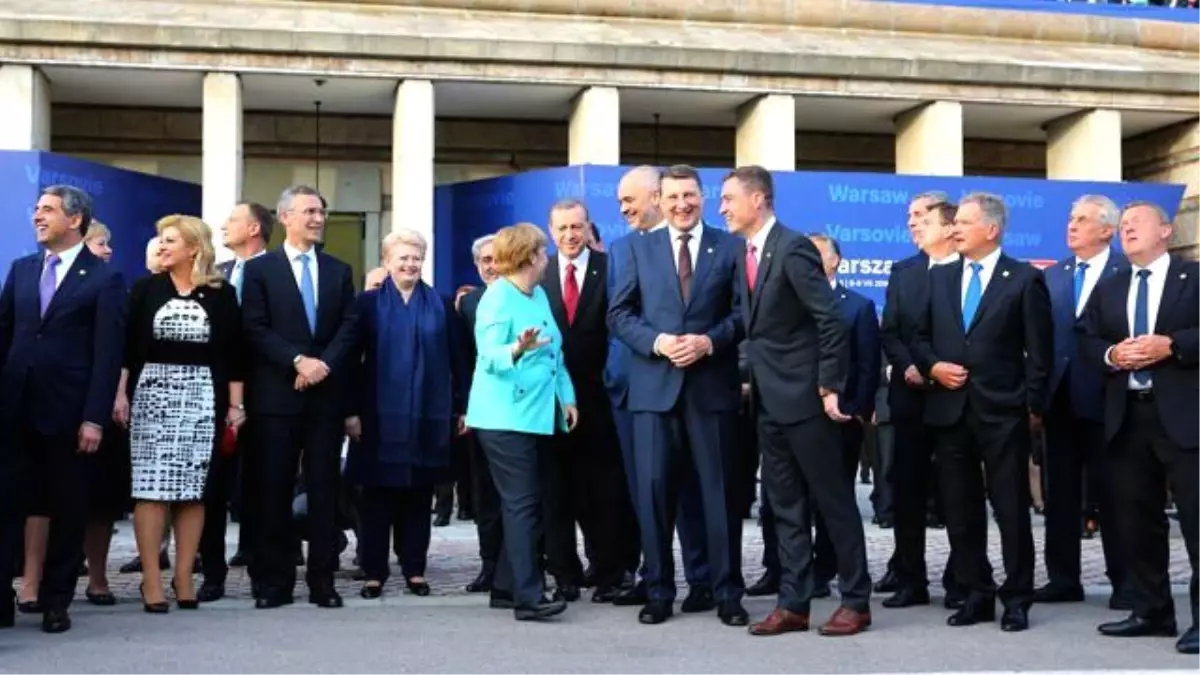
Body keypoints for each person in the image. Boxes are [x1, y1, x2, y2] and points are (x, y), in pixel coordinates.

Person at [718, 166, 867, 637]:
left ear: (758, 199)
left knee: (833, 502)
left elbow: (829, 320)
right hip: (766, 401)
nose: (721, 207)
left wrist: (828, 385)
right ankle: (794, 603)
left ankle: (857, 602)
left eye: (728, 198)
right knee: (783, 507)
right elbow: (756, 328)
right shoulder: (746, 252)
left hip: (806, 400)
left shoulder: (792, 247)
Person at [608, 164, 747, 627]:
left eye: (689, 196)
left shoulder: (729, 247)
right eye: (672, 198)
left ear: (701, 197)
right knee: (652, 497)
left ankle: (726, 592)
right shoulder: (632, 248)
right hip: (652, 391)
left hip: (711, 391)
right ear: (659, 201)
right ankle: (660, 591)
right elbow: (619, 314)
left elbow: (742, 314)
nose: (681, 205)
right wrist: (657, 342)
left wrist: (710, 341)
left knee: (719, 496)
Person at [913, 192, 1053, 633]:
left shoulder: (1024, 279)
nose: (953, 229)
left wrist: (1031, 406)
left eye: (963, 223)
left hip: (1003, 412)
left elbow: (1040, 352)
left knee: (1010, 507)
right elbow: (917, 336)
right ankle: (977, 593)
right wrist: (933, 365)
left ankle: (1017, 598)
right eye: (953, 223)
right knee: (959, 507)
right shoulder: (939, 278)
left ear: (991, 229)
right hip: (949, 410)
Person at [0, 184, 125, 633]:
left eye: (48, 210)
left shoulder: (104, 278)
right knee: (7, 504)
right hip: (14, 410)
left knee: (68, 507)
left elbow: (108, 354)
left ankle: (56, 601)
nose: (37, 216)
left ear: (75, 219)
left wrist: (94, 416)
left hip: (70, 414)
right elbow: (6, 336)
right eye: (36, 209)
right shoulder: (22, 269)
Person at [1080, 201, 1200, 654]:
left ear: (1165, 231)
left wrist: (1173, 345)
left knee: (1195, 520)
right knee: (1137, 520)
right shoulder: (1111, 287)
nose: (1126, 229)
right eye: (1123, 225)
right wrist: (1112, 356)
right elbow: (1085, 338)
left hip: (1185, 417)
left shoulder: (1194, 278)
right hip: (1127, 415)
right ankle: (1152, 611)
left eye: (1136, 223)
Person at [114, 215, 245, 612]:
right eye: (160, 239)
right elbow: (127, 350)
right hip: (152, 395)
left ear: (194, 248)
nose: (162, 246)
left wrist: (236, 407)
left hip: (203, 398)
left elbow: (234, 354)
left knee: (194, 493)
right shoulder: (145, 289)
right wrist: (121, 395)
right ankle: (151, 579)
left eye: (171, 240)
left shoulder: (221, 293)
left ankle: (185, 575)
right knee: (151, 490)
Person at [241, 185, 358, 610]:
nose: (317, 218)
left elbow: (349, 326)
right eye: (308, 211)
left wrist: (321, 365)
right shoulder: (260, 271)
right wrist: (297, 361)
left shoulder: (339, 270)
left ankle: (322, 581)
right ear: (285, 216)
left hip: (325, 398)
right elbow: (253, 328)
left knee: (325, 491)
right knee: (272, 490)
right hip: (276, 397)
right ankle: (274, 581)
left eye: (321, 211)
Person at [465, 222, 577, 621]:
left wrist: (568, 397)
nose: (548, 258)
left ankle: (506, 587)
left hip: (535, 415)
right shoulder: (496, 298)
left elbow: (555, 354)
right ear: (530, 256)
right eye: (543, 252)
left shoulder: (539, 295)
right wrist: (517, 347)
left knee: (527, 501)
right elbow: (490, 356)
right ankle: (528, 596)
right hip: (503, 416)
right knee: (522, 504)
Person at [345, 229, 464, 599]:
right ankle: (373, 572)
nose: (410, 264)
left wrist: (462, 406)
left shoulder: (442, 305)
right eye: (403, 258)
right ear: (387, 262)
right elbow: (350, 360)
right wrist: (349, 412)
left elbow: (459, 360)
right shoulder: (366, 304)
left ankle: (415, 569)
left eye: (416, 258)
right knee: (377, 498)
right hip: (377, 415)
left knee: (418, 495)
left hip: (429, 416)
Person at [540, 198, 635, 602]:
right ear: (550, 232)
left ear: (588, 227)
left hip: (601, 402)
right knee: (555, 494)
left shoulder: (609, 268)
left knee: (604, 492)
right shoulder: (538, 274)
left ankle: (608, 571)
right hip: (549, 405)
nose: (569, 235)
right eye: (561, 228)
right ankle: (564, 573)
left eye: (576, 227)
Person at [1037, 194, 1128, 609]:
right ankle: (1062, 578)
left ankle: (1126, 581)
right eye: (1070, 218)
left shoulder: (1125, 272)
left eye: (1082, 219)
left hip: (1110, 398)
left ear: (1106, 230)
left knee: (1114, 493)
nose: (1071, 225)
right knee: (1060, 493)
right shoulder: (1054, 276)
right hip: (1059, 399)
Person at [199, 201, 273, 603]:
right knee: (213, 486)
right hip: (216, 395)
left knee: (262, 486)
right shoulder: (218, 279)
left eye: (232, 221)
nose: (224, 227)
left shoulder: (279, 271)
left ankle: (262, 564)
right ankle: (212, 569)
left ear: (255, 228)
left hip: (266, 395)